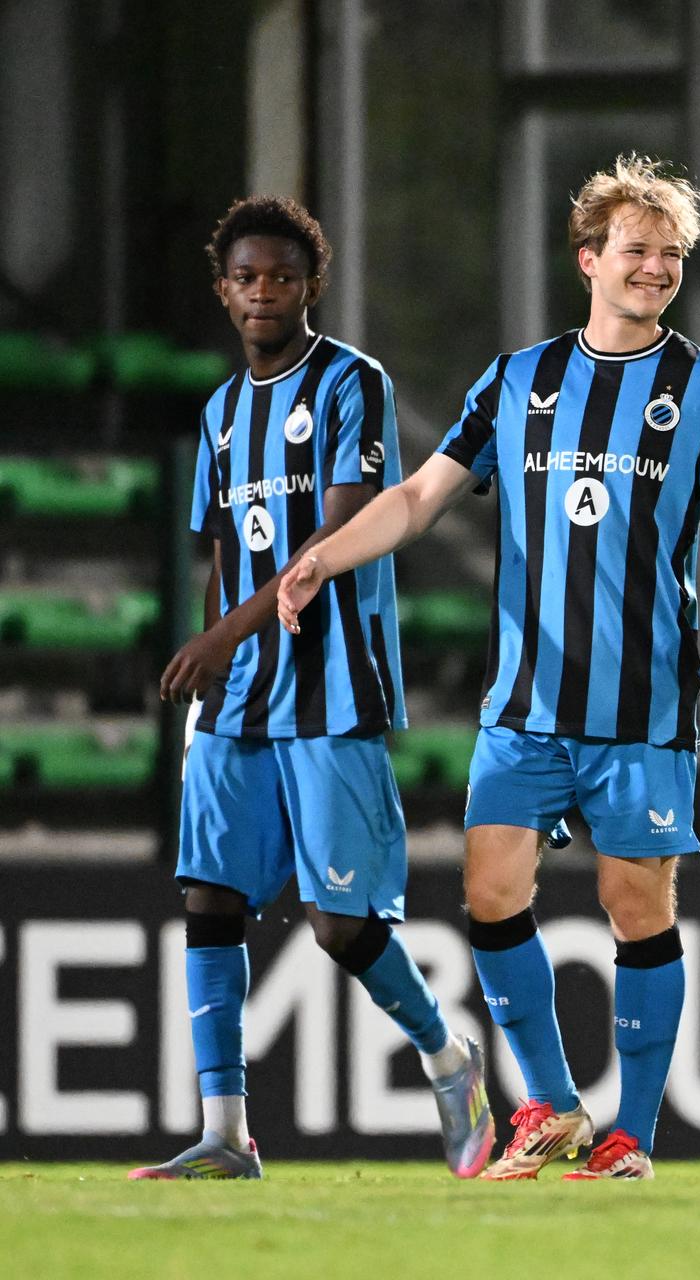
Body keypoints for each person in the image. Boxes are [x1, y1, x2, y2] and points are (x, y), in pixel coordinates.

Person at [278, 154, 700, 1182]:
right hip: (525, 706)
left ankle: (636, 1135)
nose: (655, 267)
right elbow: (420, 496)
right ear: (589, 258)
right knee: (490, 894)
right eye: (636, 249)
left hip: (642, 710)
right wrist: (325, 551)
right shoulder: (517, 380)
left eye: (669, 253)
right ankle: (555, 1106)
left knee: (635, 906)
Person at [132, 196, 491, 1181]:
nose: (263, 292)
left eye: (281, 277)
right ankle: (225, 1131)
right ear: (222, 289)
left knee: (341, 925)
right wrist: (216, 666)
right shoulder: (217, 412)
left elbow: (324, 547)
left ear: (310, 286)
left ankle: (449, 1058)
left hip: (331, 685)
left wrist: (215, 637)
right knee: (209, 897)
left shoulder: (348, 385)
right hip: (237, 699)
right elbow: (223, 550)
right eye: (245, 277)